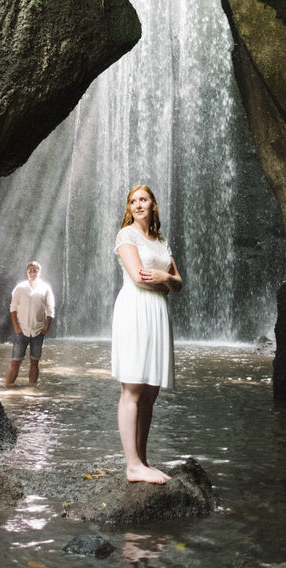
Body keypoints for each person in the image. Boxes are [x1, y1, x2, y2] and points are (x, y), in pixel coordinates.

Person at [111, 184, 182, 484]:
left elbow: (178, 282)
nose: (138, 205)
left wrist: (166, 277)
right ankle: (132, 465)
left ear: (153, 204)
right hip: (135, 311)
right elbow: (139, 279)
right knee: (133, 388)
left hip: (157, 314)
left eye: (143, 200)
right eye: (133, 201)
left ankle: (142, 460)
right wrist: (165, 281)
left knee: (150, 392)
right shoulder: (126, 236)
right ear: (130, 208)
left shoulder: (162, 241)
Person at [5, 261, 55, 386]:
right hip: (22, 330)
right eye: (30, 271)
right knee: (15, 362)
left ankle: (32, 390)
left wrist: (47, 327)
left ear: (39, 272)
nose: (32, 273)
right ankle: (8, 387)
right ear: (27, 273)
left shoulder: (45, 288)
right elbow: (13, 308)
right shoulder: (20, 288)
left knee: (34, 362)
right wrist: (16, 327)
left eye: (35, 271)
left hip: (38, 331)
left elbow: (50, 309)